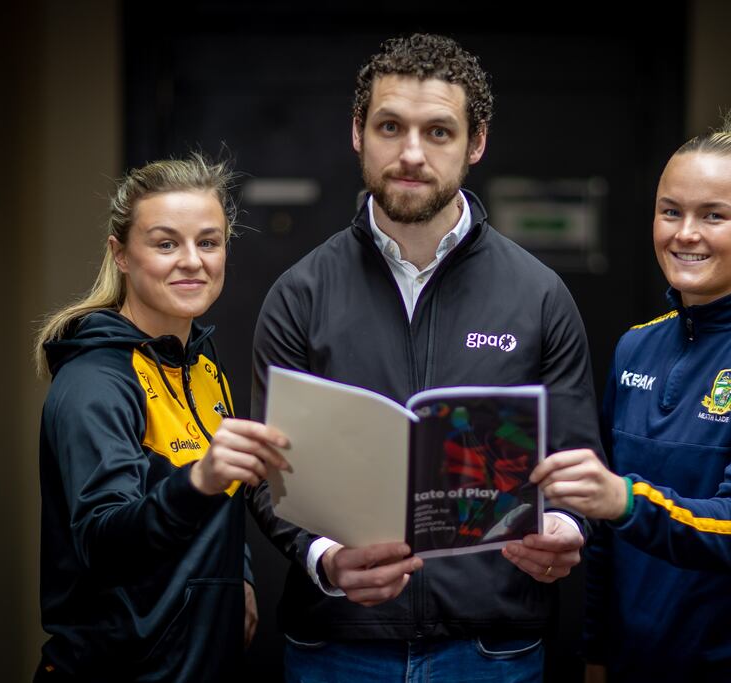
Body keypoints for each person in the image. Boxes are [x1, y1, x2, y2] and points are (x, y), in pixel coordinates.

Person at [249, 34, 600, 680]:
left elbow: (578, 462)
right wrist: (324, 558)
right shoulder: (299, 296)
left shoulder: (540, 296)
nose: (411, 153)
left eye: (438, 131)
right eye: (390, 126)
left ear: (476, 143)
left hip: (492, 650)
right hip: (337, 647)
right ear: (358, 133)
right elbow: (269, 478)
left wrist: (567, 527)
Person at [531, 109, 731, 682]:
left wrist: (624, 500)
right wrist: (597, 654)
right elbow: (606, 537)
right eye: (670, 211)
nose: (685, 233)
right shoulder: (635, 348)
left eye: (713, 215)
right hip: (635, 665)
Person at [34, 155, 290, 682]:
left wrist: (233, 574)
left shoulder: (200, 362)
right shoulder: (96, 382)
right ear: (122, 254)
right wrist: (200, 481)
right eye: (166, 243)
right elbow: (103, 543)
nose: (193, 261)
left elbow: (214, 497)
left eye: (209, 242)